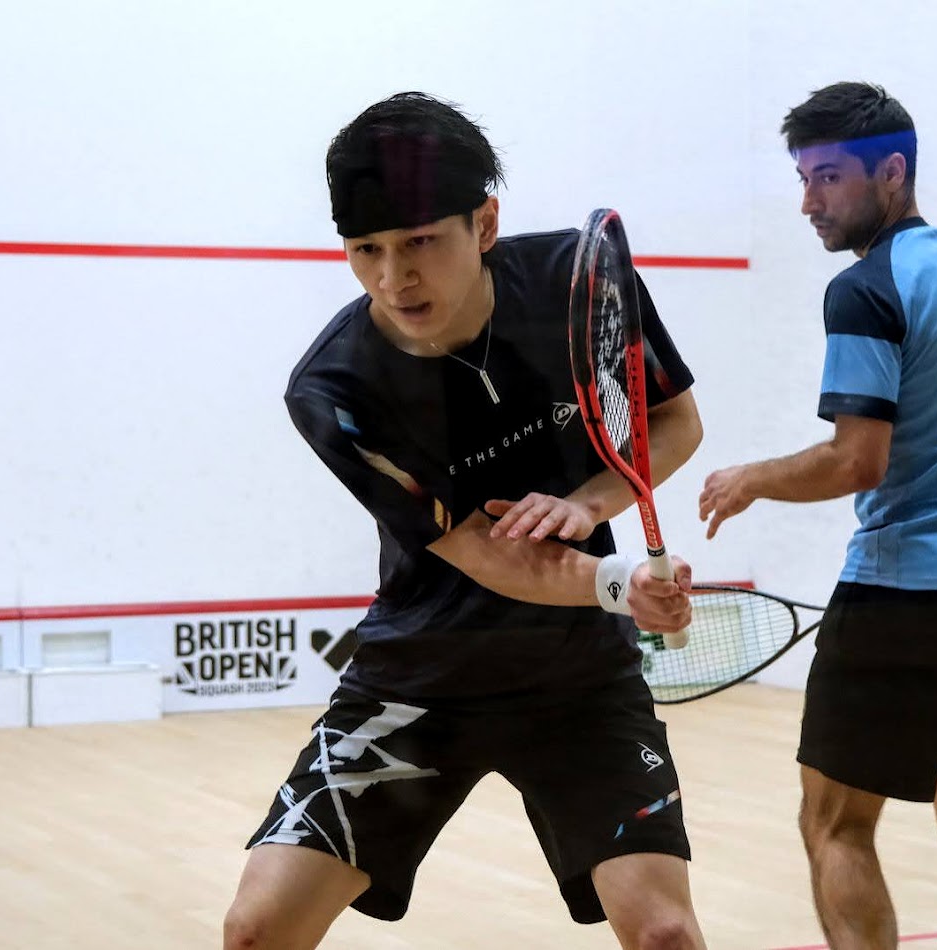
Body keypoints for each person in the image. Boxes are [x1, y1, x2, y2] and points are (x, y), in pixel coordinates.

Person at [223, 91, 709, 950]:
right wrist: (619, 582)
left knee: (663, 933)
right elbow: (489, 554)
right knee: (256, 931)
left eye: (418, 242)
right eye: (366, 250)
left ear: (484, 224)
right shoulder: (335, 389)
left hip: (579, 685)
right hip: (417, 680)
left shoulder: (576, 282)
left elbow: (672, 422)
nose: (392, 278)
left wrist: (589, 504)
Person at [698, 82, 937, 950]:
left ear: (892, 173)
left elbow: (856, 460)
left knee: (835, 822)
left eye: (828, 178)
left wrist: (751, 479)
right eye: (802, 178)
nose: (808, 202)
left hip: (902, 595)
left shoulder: (864, 289)